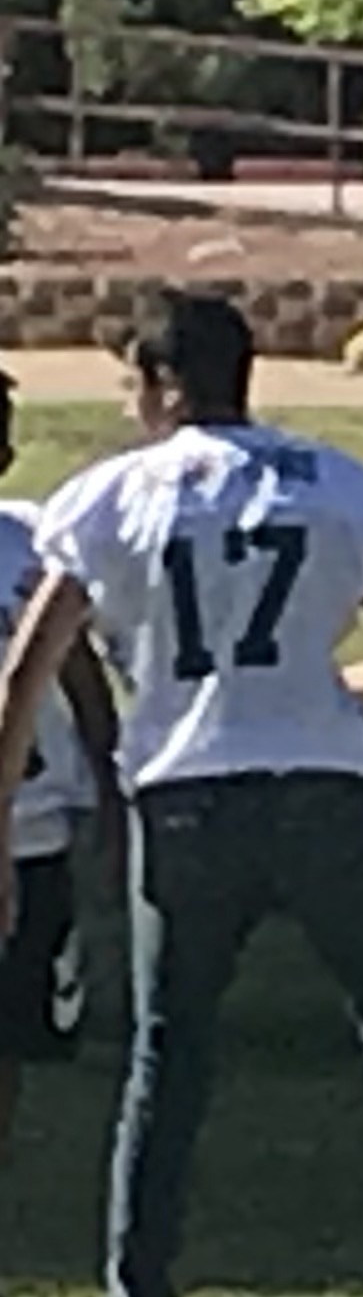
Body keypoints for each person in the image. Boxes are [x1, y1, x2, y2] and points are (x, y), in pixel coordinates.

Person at [0, 291, 363, 1297]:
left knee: (168, 1063)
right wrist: (338, 684)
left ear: (161, 384)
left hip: (186, 795)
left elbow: (27, 675)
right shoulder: (330, 484)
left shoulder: (110, 496)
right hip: (321, 789)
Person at [0, 367, 122, 1188]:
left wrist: (110, 783)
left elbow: (79, 671)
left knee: (13, 1025)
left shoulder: (33, 539)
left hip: (31, 825)